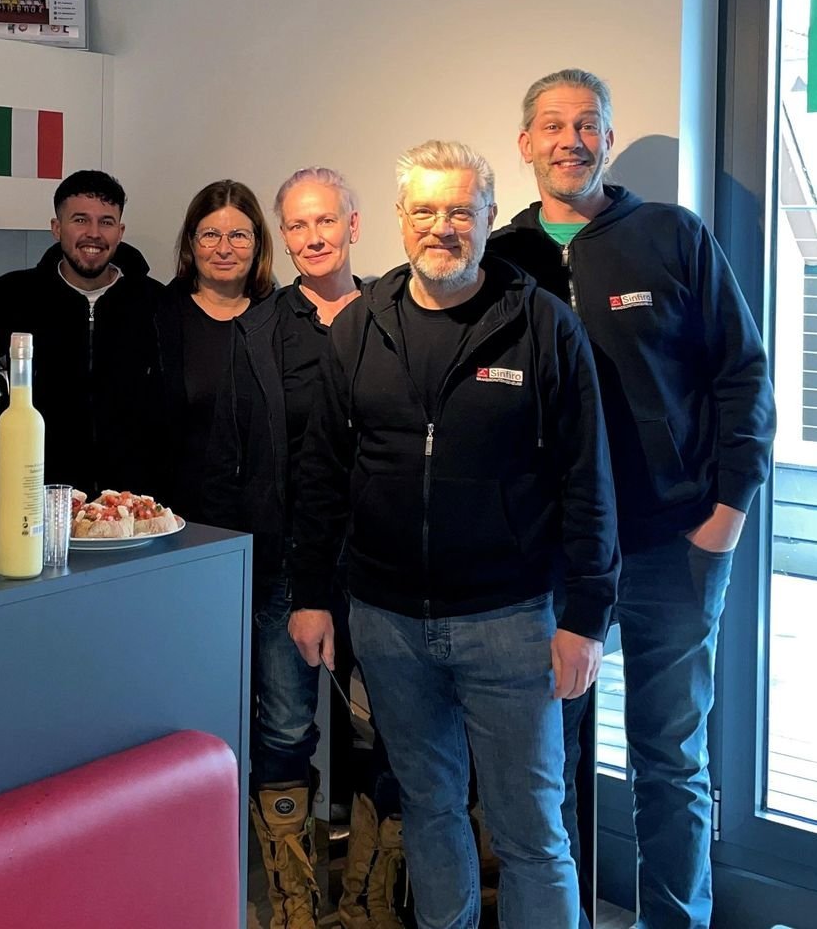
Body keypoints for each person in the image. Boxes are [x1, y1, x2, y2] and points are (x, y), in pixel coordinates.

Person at [289, 140, 619, 929]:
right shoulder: (360, 327)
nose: (443, 227)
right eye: (426, 210)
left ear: (489, 216)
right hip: (388, 623)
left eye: (461, 211)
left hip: (512, 623)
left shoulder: (542, 325)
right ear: (401, 220)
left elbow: (587, 480)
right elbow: (322, 473)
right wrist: (311, 596)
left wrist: (587, 619)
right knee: (429, 811)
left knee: (531, 830)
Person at [489, 69, 775, 929]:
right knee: (549, 762)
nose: (570, 140)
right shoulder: (501, 260)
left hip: (672, 546)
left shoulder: (671, 236)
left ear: (608, 140)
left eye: (587, 124)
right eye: (552, 125)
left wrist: (725, 517)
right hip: (553, 557)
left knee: (671, 761)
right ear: (525, 143)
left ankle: (674, 921)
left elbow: (743, 374)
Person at [206, 168, 404, 929]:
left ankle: (369, 903)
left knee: (386, 732)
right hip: (287, 567)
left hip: (384, 567)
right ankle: (294, 904)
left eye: (325, 221)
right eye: (296, 225)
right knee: (285, 728)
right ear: (282, 237)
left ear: (354, 224)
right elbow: (234, 457)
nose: (312, 237)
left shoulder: (396, 314)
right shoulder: (258, 330)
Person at [0, 169, 164, 494]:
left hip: (134, 500)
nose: (93, 233)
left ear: (120, 232)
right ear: (56, 227)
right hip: (37, 492)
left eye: (106, 222)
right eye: (80, 220)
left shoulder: (155, 302)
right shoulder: (10, 296)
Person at [154, 179, 276, 523]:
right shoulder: (158, 316)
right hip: (176, 518)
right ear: (191, 243)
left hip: (263, 522)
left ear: (257, 244)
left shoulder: (280, 319)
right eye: (210, 235)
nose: (224, 249)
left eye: (238, 235)